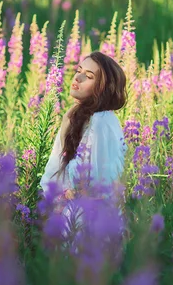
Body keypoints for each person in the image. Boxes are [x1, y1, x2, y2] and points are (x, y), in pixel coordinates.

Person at [40, 51, 128, 201]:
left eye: (88, 76)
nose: (77, 78)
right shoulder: (76, 117)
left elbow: (99, 186)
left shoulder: (102, 121)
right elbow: (53, 176)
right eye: (79, 70)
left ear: (103, 88)